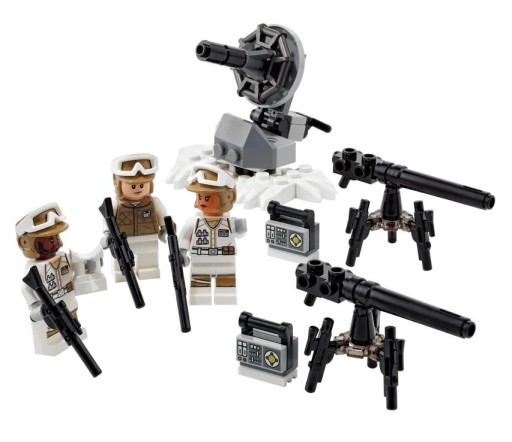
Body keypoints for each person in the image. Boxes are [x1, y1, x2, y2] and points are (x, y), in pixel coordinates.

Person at [16, 203, 106, 356]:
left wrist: (92, 264)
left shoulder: (63, 256)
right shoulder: (34, 269)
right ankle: (53, 341)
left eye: (56, 237)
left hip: (68, 298)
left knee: (72, 317)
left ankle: (73, 333)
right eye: (50, 240)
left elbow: (79, 265)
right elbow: (26, 288)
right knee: (51, 326)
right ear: (27, 243)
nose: (56, 242)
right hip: (50, 305)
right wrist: (36, 306)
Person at [179, 164, 246, 305]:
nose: (202, 202)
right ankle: (200, 298)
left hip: (225, 259)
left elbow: (240, 233)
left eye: (208, 198)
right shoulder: (193, 222)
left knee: (226, 286)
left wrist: (241, 228)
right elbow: (184, 237)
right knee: (200, 286)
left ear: (227, 198)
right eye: (200, 197)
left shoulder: (230, 222)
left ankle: (225, 297)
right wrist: (182, 252)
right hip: (200, 258)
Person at [107, 153, 167, 281]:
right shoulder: (116, 205)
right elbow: (107, 219)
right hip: (124, 239)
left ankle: (148, 270)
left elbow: (163, 216)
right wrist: (107, 234)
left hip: (149, 236)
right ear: (118, 184)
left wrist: (165, 229)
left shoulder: (154, 202)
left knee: (149, 255)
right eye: (133, 186)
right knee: (121, 257)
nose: (138, 189)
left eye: (142, 185)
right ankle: (121, 272)